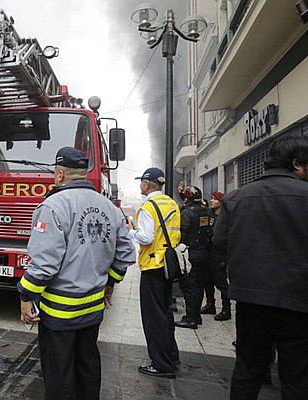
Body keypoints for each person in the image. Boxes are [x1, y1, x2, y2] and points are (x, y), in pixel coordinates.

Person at [213, 136, 308, 399]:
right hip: (303, 304)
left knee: (248, 370)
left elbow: (220, 243)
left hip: (251, 301)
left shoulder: (235, 198)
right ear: (297, 165)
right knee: (300, 378)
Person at [17, 147, 135, 400]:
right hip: (93, 309)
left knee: (59, 371)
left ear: (59, 174)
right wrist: (111, 282)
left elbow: (45, 264)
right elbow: (125, 254)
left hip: (60, 313)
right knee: (87, 362)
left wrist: (26, 295)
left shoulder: (53, 206)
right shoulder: (110, 208)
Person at [128, 167, 181, 378]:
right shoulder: (171, 203)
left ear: (146, 184)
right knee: (166, 313)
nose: (140, 185)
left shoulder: (149, 206)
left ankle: (161, 364)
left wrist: (130, 230)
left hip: (154, 266)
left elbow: (147, 238)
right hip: (169, 264)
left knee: (154, 317)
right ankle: (171, 355)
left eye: (141, 181)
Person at [175, 186, 211, 330]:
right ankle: (196, 315)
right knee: (199, 285)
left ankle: (191, 318)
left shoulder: (187, 213)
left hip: (190, 254)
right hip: (203, 253)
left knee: (189, 286)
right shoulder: (206, 211)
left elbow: (182, 234)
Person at [203, 191, 230, 321]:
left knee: (221, 283)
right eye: (212, 199)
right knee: (207, 280)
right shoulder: (210, 215)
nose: (212, 201)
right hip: (208, 253)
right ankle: (210, 304)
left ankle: (226, 309)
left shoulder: (226, 218)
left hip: (219, 255)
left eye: (215, 199)